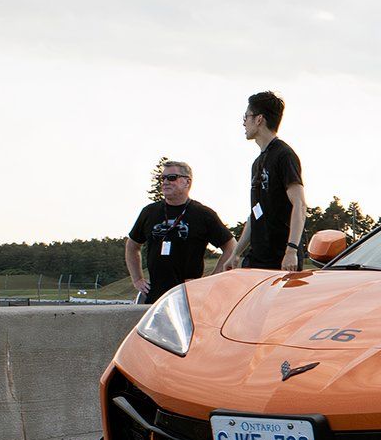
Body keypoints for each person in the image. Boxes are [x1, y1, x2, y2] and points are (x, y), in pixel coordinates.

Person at [124, 160, 236, 303]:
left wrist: (210, 280)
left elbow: (231, 247)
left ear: (187, 182)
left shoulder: (202, 214)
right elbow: (132, 246)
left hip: (190, 297)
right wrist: (137, 279)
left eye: (171, 178)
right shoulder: (149, 212)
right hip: (155, 296)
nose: (165, 182)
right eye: (162, 178)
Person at [227, 91, 307, 270]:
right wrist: (236, 253)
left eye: (246, 116)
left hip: (281, 260)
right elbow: (255, 213)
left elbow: (300, 205)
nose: (243, 122)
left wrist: (291, 251)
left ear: (259, 119)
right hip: (257, 259)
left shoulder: (284, 155)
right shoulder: (257, 163)